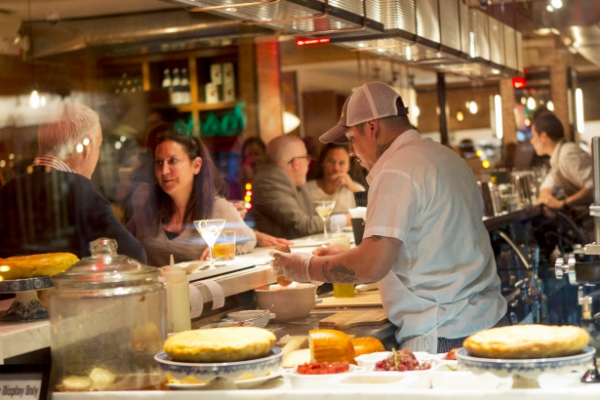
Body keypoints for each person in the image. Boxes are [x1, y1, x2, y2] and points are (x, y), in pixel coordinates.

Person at [271, 82, 507, 353]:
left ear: (372, 127)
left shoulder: (395, 170)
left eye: (352, 138)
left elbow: (372, 264)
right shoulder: (446, 157)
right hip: (488, 320)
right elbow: (432, 245)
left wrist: (304, 268)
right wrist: (350, 255)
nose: (351, 151)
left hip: (443, 331)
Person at [0, 103, 146, 262]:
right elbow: (133, 257)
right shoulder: (81, 190)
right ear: (87, 148)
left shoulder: (8, 190)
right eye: (98, 146)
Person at [126, 125, 256, 267]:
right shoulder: (145, 198)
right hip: (152, 281)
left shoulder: (218, 208)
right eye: (159, 162)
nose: (164, 171)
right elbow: (126, 238)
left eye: (173, 161)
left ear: (196, 165)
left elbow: (249, 240)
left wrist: (224, 251)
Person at [252, 135, 348, 239]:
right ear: (295, 163)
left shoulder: (293, 180)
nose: (308, 163)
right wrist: (346, 219)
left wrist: (346, 216)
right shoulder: (269, 182)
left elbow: (312, 217)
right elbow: (302, 225)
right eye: (306, 158)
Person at [531, 112, 593, 211]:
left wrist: (562, 203)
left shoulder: (567, 155)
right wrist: (546, 198)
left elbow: (593, 186)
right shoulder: (558, 155)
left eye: (533, 136)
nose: (531, 141)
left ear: (544, 136)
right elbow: (549, 183)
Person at [306, 143, 365, 214]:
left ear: (349, 166)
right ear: (322, 162)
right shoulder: (307, 189)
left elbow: (368, 213)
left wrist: (353, 188)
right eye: (331, 161)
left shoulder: (356, 189)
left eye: (341, 163)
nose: (336, 168)